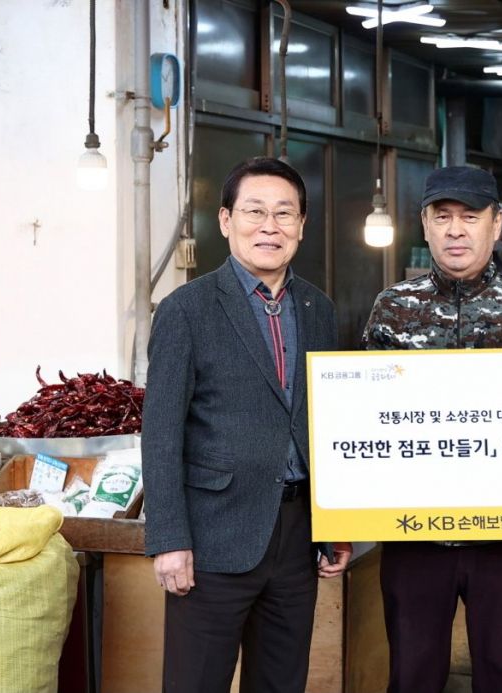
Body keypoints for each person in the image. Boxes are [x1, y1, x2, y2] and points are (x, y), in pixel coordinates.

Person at [141, 157, 352, 693]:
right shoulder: (185, 310)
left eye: (284, 213)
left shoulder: (319, 308)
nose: (269, 226)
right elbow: (161, 432)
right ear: (226, 220)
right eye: (254, 211)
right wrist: (169, 539)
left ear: (302, 225)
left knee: (282, 682)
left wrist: (336, 522)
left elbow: (327, 422)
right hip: (213, 538)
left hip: (297, 536)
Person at [362, 165, 502, 693]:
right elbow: (365, 419)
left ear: (496, 225)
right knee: (412, 675)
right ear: (424, 226)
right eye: (443, 216)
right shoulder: (392, 310)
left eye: (470, 217)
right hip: (414, 532)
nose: (456, 230)